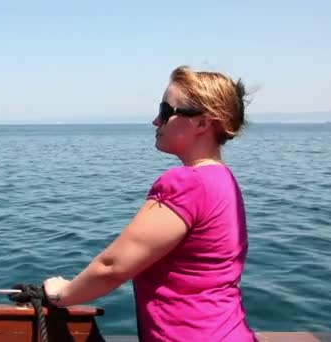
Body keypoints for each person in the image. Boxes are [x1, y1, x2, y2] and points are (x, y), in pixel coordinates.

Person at [43, 66, 256, 341]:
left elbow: (112, 266)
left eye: (166, 111)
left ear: (202, 123)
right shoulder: (223, 180)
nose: (156, 121)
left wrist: (62, 293)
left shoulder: (187, 184)